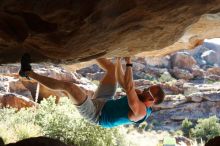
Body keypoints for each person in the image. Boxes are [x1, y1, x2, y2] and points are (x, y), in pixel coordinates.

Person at [19, 53, 165, 128]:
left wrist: (128, 63)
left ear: (152, 100)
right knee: (111, 69)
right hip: (105, 101)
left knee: (70, 88)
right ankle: (90, 49)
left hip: (96, 115)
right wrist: (118, 61)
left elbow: (130, 87)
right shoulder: (141, 96)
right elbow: (124, 83)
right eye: (147, 87)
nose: (144, 89)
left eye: (147, 90)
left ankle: (27, 72)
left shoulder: (140, 112)